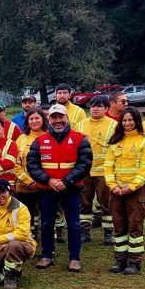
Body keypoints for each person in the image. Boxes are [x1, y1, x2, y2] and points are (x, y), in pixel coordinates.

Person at [27, 103, 93, 272]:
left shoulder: (80, 139)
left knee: (73, 224)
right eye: (54, 117)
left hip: (71, 189)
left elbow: (84, 164)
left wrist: (66, 181)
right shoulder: (39, 140)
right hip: (47, 189)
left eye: (60, 117)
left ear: (66, 118)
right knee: (46, 223)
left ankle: (74, 258)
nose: (57, 121)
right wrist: (49, 181)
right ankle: (47, 255)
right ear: (48, 119)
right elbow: (32, 165)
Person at [104, 107, 145, 274]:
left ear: (137, 121)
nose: (127, 123)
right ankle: (120, 260)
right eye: (124, 120)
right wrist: (113, 186)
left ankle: (134, 262)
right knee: (119, 226)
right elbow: (108, 166)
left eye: (130, 120)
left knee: (135, 226)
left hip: (136, 191)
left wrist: (131, 186)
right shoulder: (114, 141)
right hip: (116, 191)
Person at [75, 95, 118, 244]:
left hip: (104, 172)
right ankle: (84, 232)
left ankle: (108, 233)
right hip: (84, 172)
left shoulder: (113, 125)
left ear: (106, 109)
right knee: (84, 203)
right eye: (93, 105)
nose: (95, 108)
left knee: (106, 203)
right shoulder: (80, 125)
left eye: (99, 106)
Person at [13, 107, 48, 233]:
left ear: (43, 119)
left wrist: (44, 181)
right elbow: (15, 164)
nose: (34, 121)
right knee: (27, 214)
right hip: (25, 186)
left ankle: (48, 235)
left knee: (46, 213)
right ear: (27, 122)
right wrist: (29, 181)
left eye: (37, 118)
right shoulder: (21, 139)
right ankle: (29, 235)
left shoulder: (50, 136)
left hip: (46, 185)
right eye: (31, 119)